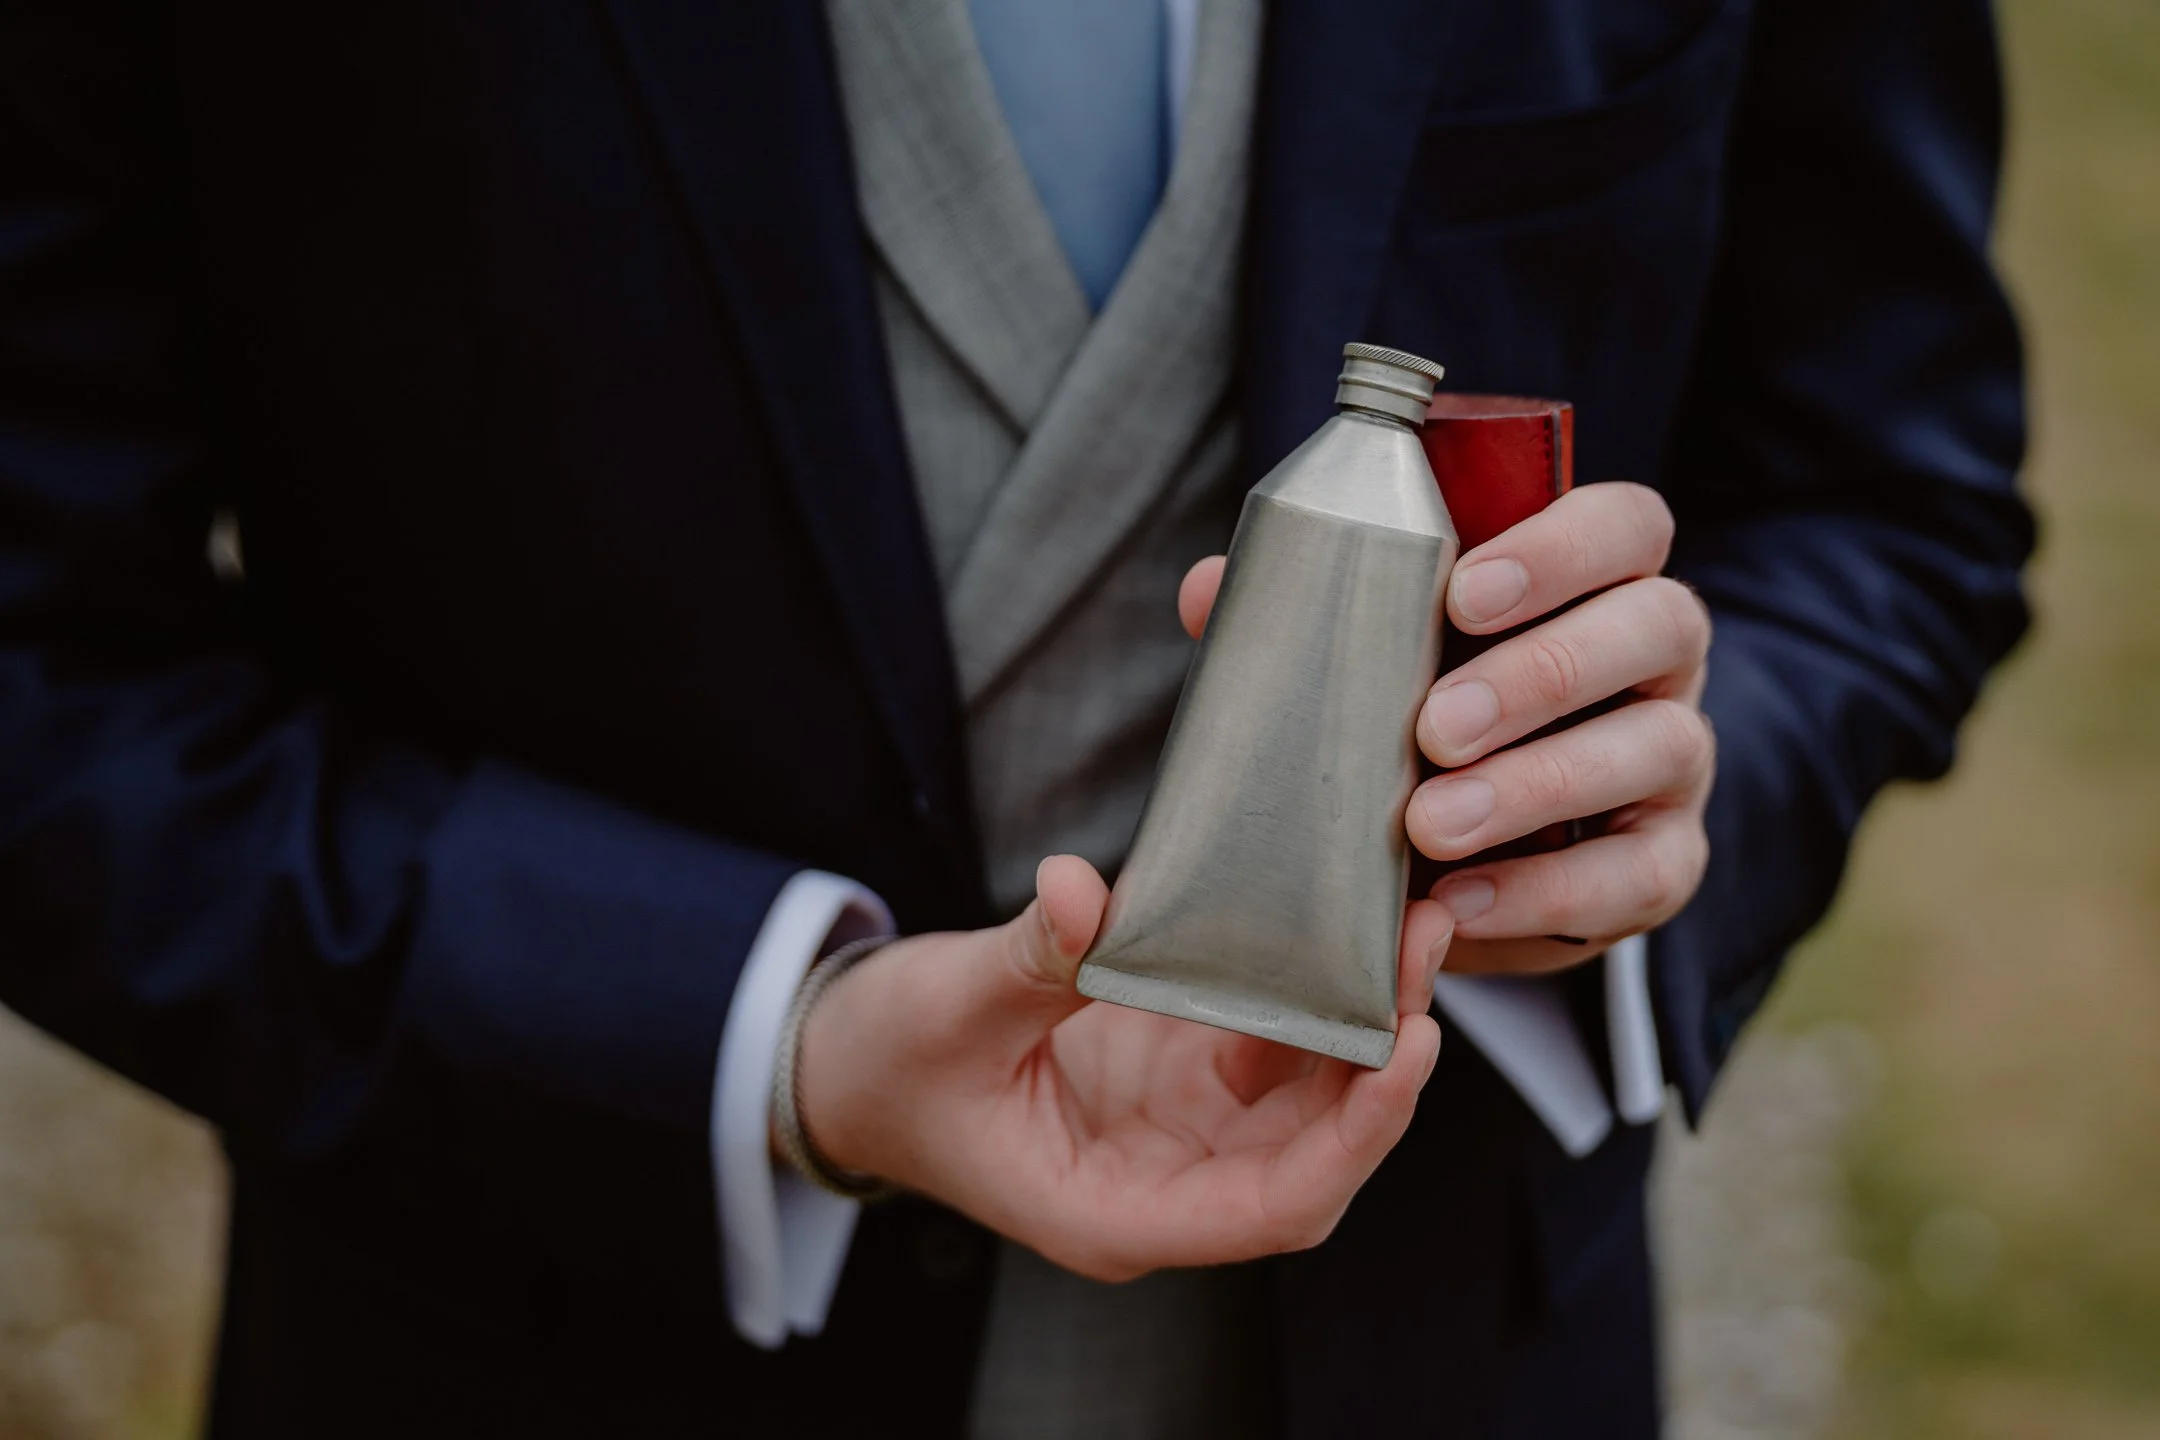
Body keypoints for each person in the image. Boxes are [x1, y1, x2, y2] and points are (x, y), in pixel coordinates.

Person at [0, 0, 2030, 1435]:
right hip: (520, 1340)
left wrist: (1652, 790)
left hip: (1447, 1357)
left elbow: (1888, 489)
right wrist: (753, 1038)